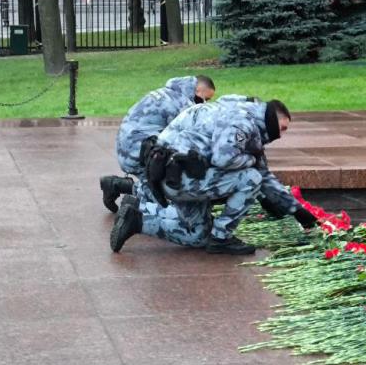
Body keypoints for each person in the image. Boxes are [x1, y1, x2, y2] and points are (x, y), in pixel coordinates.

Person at [110, 99, 318, 255]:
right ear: (271, 119)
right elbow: (223, 159)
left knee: (197, 236)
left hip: (173, 176)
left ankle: (136, 221)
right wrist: (251, 162)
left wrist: (296, 210)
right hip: (182, 178)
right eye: (282, 128)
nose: (281, 135)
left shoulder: (236, 112)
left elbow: (264, 173)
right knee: (250, 179)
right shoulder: (242, 122)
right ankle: (222, 238)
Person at [99, 75, 217, 213]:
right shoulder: (184, 105)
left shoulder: (169, 92)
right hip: (140, 153)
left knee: (166, 173)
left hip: (128, 147)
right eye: (206, 99)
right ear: (197, 90)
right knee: (173, 202)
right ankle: (133, 199)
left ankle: (116, 185)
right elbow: (195, 139)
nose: (205, 103)